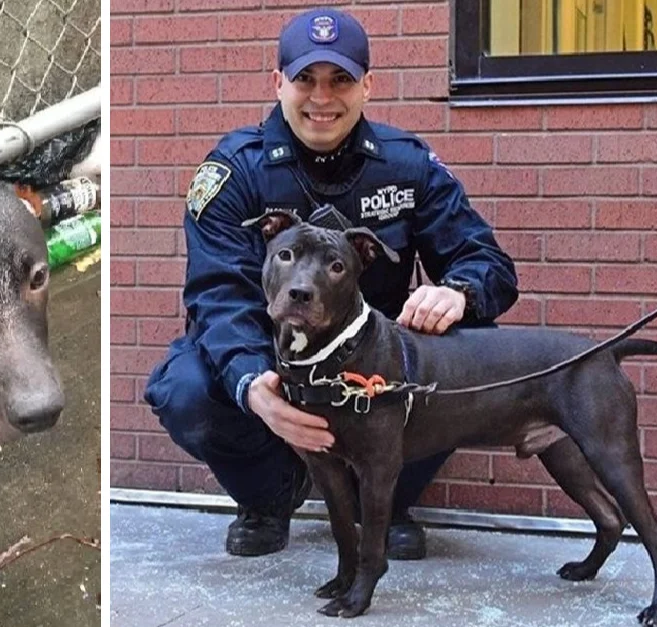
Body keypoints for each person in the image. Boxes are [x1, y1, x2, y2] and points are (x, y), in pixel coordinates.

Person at [144, 8, 519, 560]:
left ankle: (384, 503)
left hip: (375, 368)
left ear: (368, 85)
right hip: (273, 357)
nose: (322, 97)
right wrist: (253, 388)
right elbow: (218, 298)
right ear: (278, 84)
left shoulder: (406, 166)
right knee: (187, 390)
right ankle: (269, 497)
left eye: (340, 79)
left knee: (471, 336)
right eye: (305, 80)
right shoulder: (236, 171)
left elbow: (488, 262)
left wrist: (459, 291)